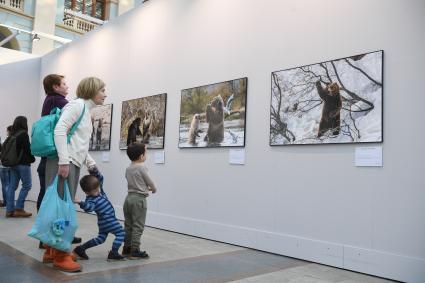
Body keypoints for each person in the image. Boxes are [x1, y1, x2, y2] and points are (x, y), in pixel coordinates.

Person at [44, 76, 107, 272]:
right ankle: (61, 255)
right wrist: (64, 160)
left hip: (71, 161)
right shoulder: (77, 106)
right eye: (102, 90)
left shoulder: (84, 110)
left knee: (60, 207)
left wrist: (89, 162)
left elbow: (77, 140)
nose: (105, 94)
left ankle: (51, 250)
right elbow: (60, 130)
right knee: (63, 209)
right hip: (65, 162)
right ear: (92, 90)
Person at [37, 74, 70, 249]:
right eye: (64, 84)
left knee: (45, 195)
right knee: (55, 198)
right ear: (56, 87)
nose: (67, 86)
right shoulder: (60, 102)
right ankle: (51, 236)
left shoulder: (48, 100)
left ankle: (46, 235)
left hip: (46, 157)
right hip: (54, 157)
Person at [73, 168, 125, 261]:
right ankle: (114, 253)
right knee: (121, 233)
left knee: (101, 238)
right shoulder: (91, 200)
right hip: (109, 221)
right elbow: (89, 208)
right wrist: (80, 202)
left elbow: (100, 178)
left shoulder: (99, 191)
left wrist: (94, 171)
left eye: (98, 188)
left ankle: (80, 249)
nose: (98, 191)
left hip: (103, 223)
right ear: (87, 192)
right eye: (95, 191)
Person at [122, 142, 157, 259]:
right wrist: (154, 189)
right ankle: (135, 250)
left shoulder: (128, 168)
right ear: (141, 156)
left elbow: (134, 182)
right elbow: (149, 182)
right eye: (146, 152)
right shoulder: (142, 168)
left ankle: (126, 248)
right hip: (139, 200)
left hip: (128, 199)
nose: (146, 155)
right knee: (138, 226)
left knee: (128, 225)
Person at [5, 116, 35, 217]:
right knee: (27, 185)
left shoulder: (12, 134)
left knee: (12, 186)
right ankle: (19, 208)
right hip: (23, 164)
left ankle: (9, 210)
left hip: (13, 164)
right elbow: (28, 149)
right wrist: (32, 159)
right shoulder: (23, 134)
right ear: (24, 123)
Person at [0, 126, 12, 208]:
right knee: (10, 185)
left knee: (5, 185)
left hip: (3, 166)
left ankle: (6, 203)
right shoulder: (14, 141)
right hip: (11, 166)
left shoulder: (4, 141)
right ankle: (9, 203)